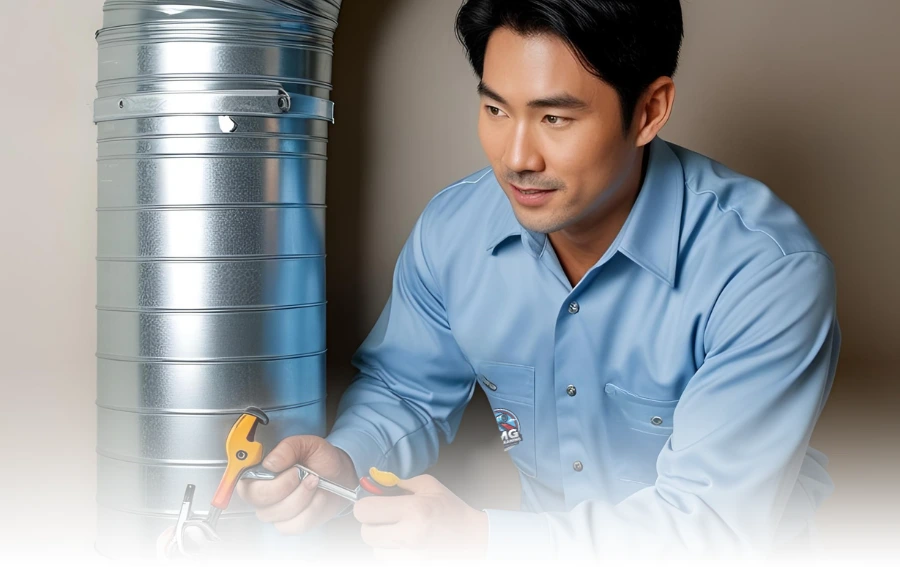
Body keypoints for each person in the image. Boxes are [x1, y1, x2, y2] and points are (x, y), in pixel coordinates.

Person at [237, 0, 840, 560]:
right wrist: (346, 462)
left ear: (649, 111)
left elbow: (709, 525)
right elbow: (407, 389)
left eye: (554, 117)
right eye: (496, 110)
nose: (517, 158)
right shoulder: (454, 231)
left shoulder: (765, 274)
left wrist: (480, 539)